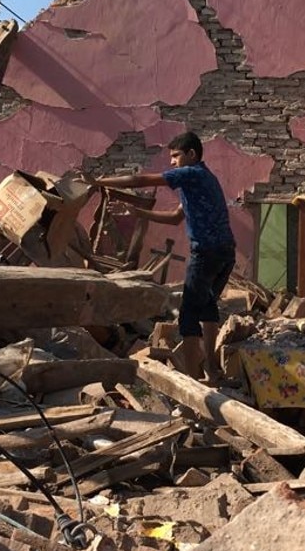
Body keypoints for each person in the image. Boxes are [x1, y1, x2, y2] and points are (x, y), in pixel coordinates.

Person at [90, 132, 236, 381]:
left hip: (206, 252)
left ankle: (193, 385)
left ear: (192, 154)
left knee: (188, 316)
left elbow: (141, 180)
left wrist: (100, 182)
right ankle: (212, 369)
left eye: (176, 156)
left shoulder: (191, 173)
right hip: (225, 252)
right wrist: (137, 212)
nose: (172, 162)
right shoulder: (204, 179)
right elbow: (176, 217)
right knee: (208, 306)